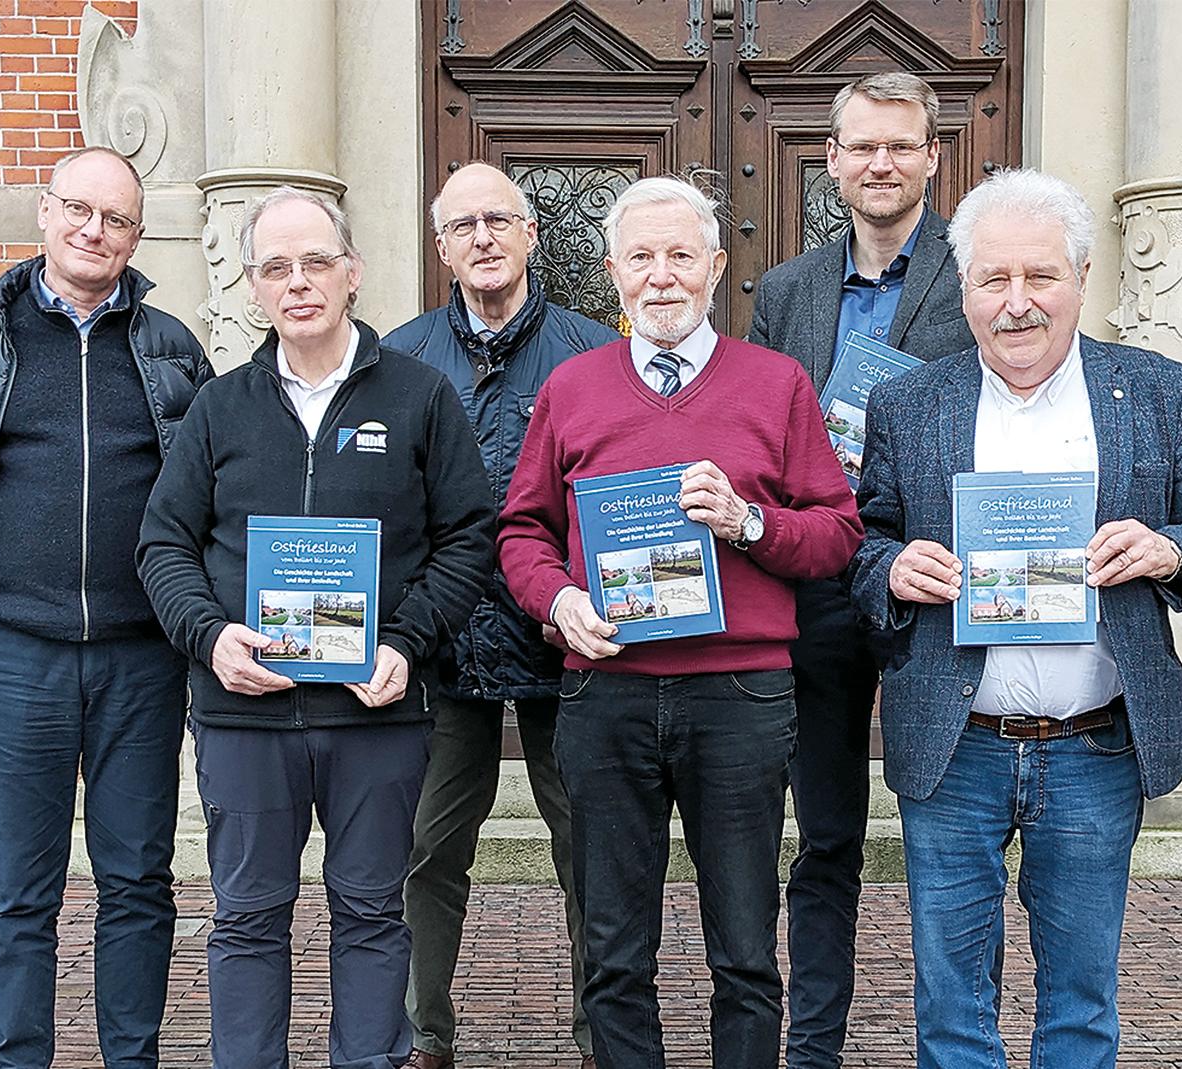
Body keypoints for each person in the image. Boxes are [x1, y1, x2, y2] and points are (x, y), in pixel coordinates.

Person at [847, 168, 1182, 1069]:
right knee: (951, 1002)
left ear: (1083, 277)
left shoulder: (1158, 390)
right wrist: (892, 568)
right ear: (965, 288)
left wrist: (1169, 549)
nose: (1017, 302)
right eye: (995, 278)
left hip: (1094, 746)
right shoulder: (910, 402)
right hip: (956, 745)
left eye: (1041, 276)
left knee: (1081, 998)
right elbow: (863, 537)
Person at [498, 176, 864, 1069]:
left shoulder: (776, 384)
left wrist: (749, 522)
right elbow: (523, 530)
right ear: (613, 272)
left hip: (740, 697)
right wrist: (559, 600)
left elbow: (838, 531)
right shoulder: (572, 388)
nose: (661, 276)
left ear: (716, 266)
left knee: (744, 950)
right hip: (606, 694)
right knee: (613, 952)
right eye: (641, 257)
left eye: (680, 256)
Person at [136, 186, 496, 1069]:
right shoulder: (220, 407)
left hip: (375, 714)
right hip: (245, 714)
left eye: (315, 262)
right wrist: (210, 636)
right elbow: (163, 544)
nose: (297, 283)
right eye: (276, 268)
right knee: (247, 916)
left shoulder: (419, 397)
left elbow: (468, 537)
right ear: (254, 287)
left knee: (372, 911)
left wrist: (406, 641)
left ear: (352, 272)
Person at [0, 146, 212, 1069]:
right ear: (44, 210)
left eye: (115, 218)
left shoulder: (170, 349)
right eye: (78, 208)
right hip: (14, 654)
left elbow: (201, 488)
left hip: (141, 657)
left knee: (138, 880)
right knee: (18, 886)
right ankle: (19, 1057)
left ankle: (132, 1058)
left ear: (135, 237)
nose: (92, 230)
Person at [745, 71, 974, 1069]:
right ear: (831, 161)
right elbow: (756, 431)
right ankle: (814, 1050)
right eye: (862, 146)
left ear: (932, 157)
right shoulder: (786, 291)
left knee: (950, 843)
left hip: (935, 582)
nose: (882, 163)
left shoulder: (978, 275)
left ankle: (954, 1044)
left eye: (901, 145)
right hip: (818, 590)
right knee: (827, 836)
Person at [383, 162, 616, 1069]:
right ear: (441, 247)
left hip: (570, 643)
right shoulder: (400, 358)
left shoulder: (592, 352)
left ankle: (602, 1034)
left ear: (530, 233)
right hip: (443, 647)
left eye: (498, 219)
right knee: (427, 848)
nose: (482, 238)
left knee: (589, 848)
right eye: (462, 226)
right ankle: (423, 1035)